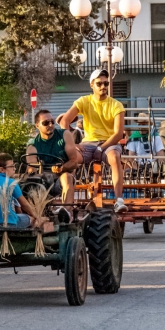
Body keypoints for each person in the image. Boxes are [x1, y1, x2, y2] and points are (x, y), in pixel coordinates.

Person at [60, 68, 127, 213]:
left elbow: (118, 134)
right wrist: (72, 144)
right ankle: (66, 203)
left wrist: (101, 147)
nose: (103, 86)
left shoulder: (116, 105)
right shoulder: (84, 101)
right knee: (69, 158)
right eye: (99, 84)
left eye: (106, 83)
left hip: (109, 143)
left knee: (115, 157)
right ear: (92, 85)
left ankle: (119, 200)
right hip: (88, 144)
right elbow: (64, 121)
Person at [26, 109, 80, 219]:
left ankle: (66, 212)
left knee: (67, 177)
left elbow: (74, 161)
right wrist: (33, 171)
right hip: (43, 179)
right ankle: (34, 215)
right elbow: (31, 167)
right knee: (30, 181)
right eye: (46, 123)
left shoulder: (64, 135)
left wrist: (62, 168)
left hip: (61, 177)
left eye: (52, 121)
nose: (50, 125)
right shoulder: (32, 145)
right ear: (37, 125)